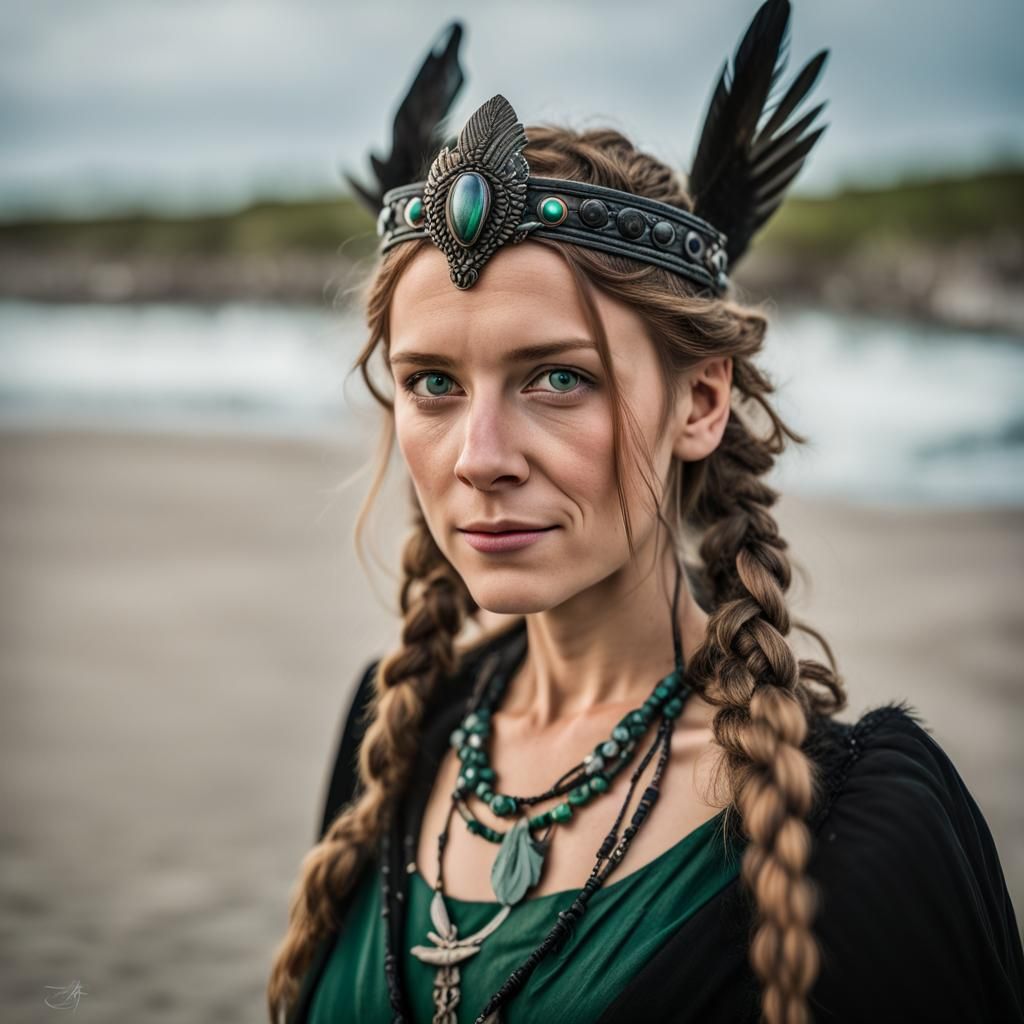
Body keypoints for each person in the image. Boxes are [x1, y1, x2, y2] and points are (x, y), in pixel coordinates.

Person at [267, 4, 1024, 1023]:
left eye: (556, 379)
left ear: (700, 401)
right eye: (433, 382)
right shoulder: (392, 734)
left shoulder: (854, 834)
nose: (479, 457)